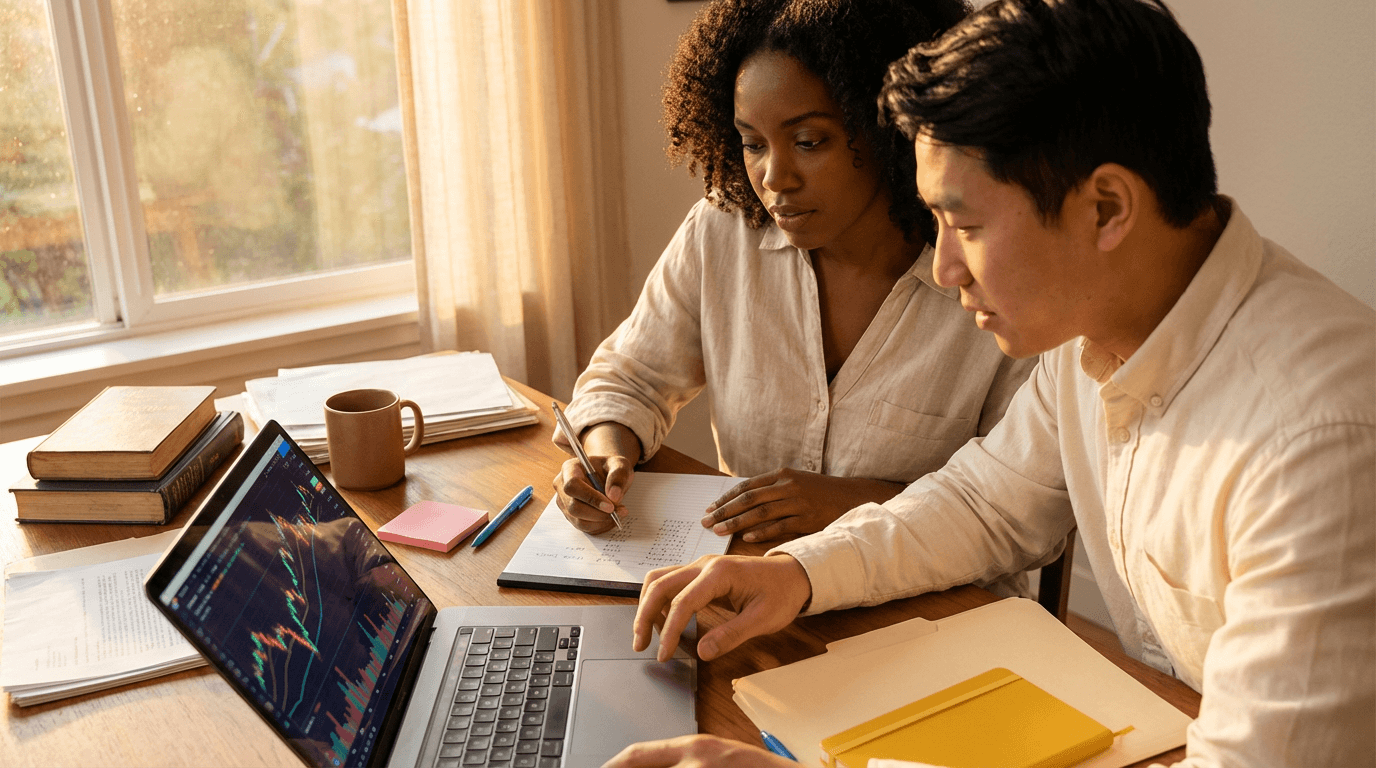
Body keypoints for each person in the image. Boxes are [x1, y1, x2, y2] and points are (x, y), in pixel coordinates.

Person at [610, 0, 1376, 766]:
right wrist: (794, 574)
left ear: (1106, 208)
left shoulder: (1318, 441)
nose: (944, 269)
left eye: (966, 226)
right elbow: (983, 504)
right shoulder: (1094, 336)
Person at [553, 0, 1036, 551]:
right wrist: (605, 451)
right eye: (753, 143)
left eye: (809, 142)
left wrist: (850, 504)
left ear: (891, 129)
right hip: (746, 578)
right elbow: (631, 377)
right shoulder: (724, 231)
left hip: (942, 597)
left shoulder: (991, 274)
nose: (774, 177)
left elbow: (1021, 502)